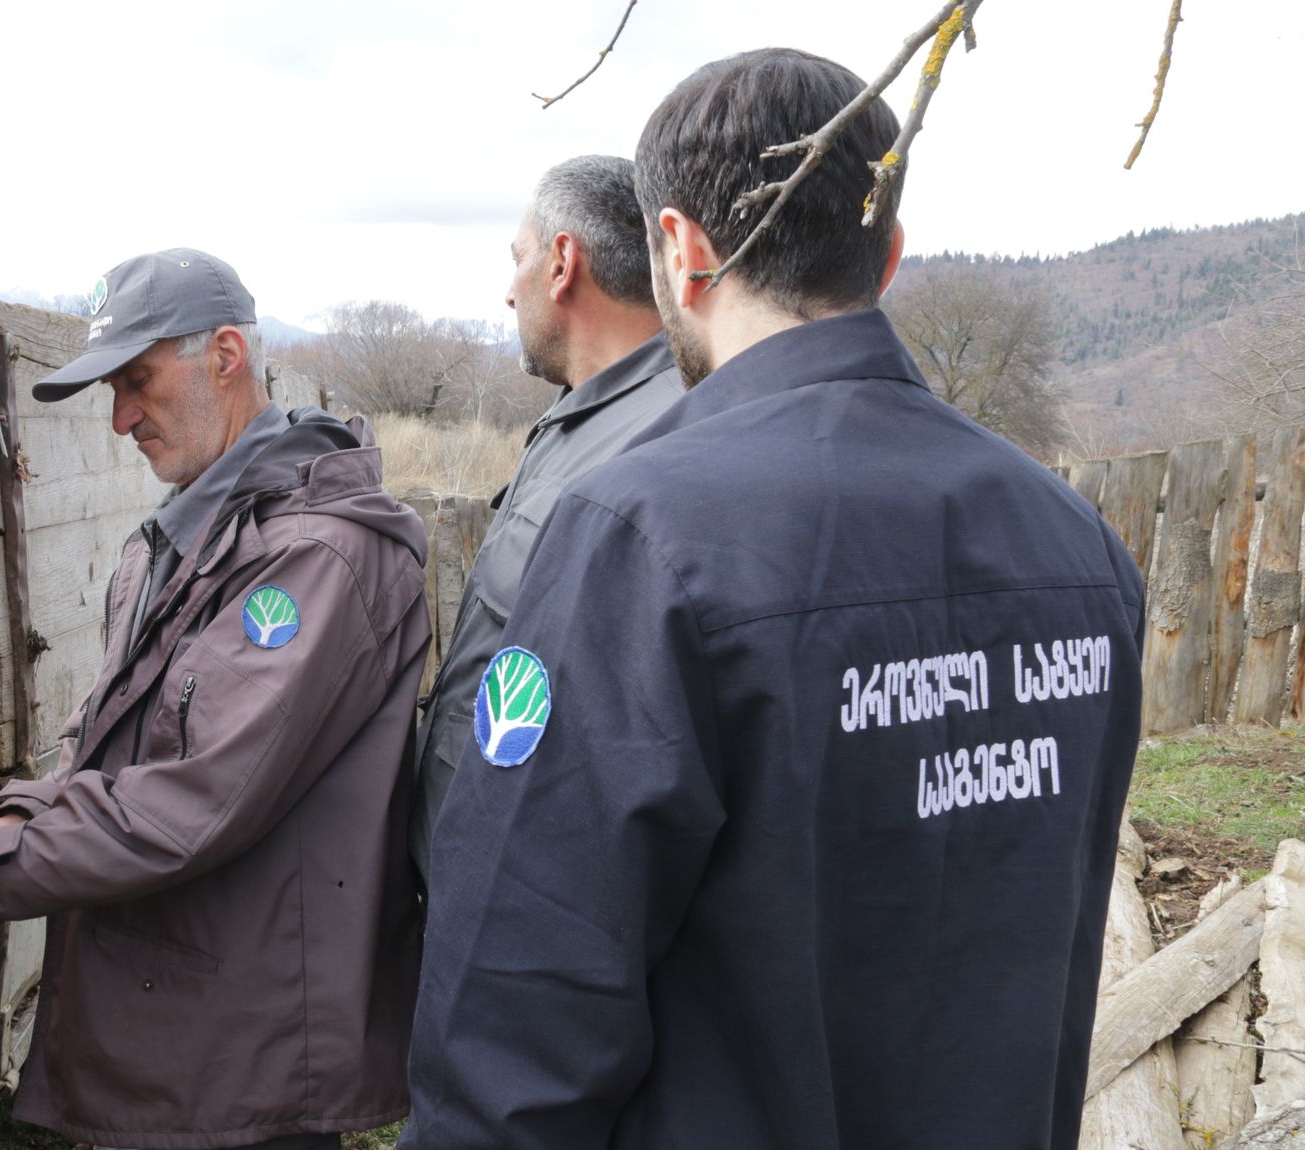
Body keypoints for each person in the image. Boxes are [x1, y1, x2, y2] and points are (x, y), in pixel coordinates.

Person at [403, 49, 1144, 1149]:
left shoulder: (636, 535)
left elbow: (520, 990)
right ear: (883, 257)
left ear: (679, 250)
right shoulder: (1079, 542)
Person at [0, 249, 431, 1150]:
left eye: (139, 382)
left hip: (238, 1077)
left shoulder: (315, 560)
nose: (122, 419)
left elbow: (191, 799)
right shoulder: (178, 539)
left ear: (227, 355)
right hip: (169, 1053)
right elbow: (104, 748)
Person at [410, 155, 681, 883]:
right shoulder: (582, 414)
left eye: (518, 258)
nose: (508, 291)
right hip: (478, 878)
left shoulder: (661, 443)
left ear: (562, 263)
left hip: (539, 892)